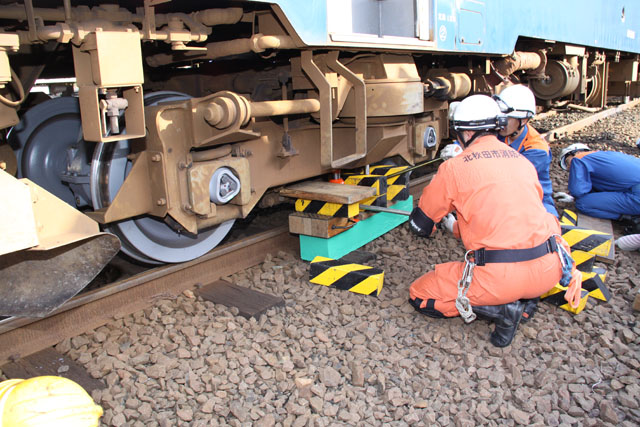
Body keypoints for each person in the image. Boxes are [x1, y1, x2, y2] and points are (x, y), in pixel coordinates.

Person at [407, 94, 578, 347]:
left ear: (464, 133)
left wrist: (433, 220)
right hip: (549, 270)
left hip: (500, 276)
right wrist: (457, 227)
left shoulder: (454, 167)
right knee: (521, 272)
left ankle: (503, 311)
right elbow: (508, 219)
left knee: (419, 294)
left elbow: (421, 226)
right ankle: (527, 301)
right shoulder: (522, 160)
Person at [494, 85, 558, 216]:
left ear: (523, 120)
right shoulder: (502, 133)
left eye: (507, 119)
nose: (501, 123)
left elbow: (509, 178)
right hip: (506, 196)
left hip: (534, 201)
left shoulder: (537, 150)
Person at [556, 143, 640, 220]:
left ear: (576, 152)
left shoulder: (579, 158)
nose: (568, 168)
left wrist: (575, 197)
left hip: (637, 196)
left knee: (583, 204)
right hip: (634, 189)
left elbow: (577, 191)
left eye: (567, 162)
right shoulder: (606, 155)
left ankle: (630, 218)